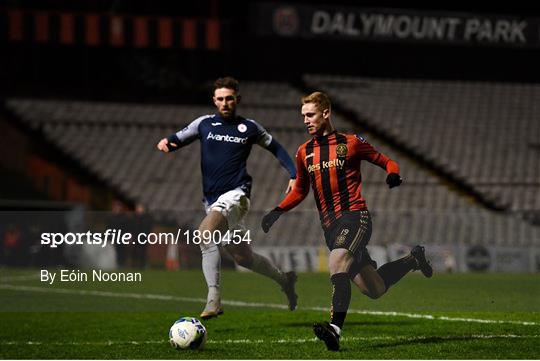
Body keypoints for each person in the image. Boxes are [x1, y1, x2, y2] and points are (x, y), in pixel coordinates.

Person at [261, 92, 432, 351]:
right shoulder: (304, 152)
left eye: (310, 115)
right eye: (303, 116)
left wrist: (393, 174)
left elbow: (387, 161)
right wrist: (276, 211)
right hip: (329, 226)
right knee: (374, 289)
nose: (306, 121)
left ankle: (334, 329)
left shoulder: (351, 143)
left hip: (354, 217)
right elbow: (299, 190)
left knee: (336, 260)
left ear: (326, 113)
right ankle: (413, 260)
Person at [157, 76, 298, 319]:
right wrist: (167, 143)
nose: (224, 103)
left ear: (237, 100)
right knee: (244, 257)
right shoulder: (203, 124)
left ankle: (214, 299)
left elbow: (276, 148)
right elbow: (177, 139)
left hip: (237, 195)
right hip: (212, 202)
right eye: (220, 99)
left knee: (204, 234)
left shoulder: (250, 127)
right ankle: (284, 279)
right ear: (214, 101)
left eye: (229, 99)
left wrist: (294, 174)